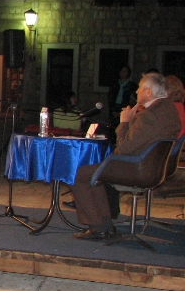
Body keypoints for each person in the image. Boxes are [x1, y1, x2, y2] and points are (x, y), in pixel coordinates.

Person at [71, 72, 181, 240]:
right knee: (96, 172)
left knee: (80, 175)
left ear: (149, 92)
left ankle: (98, 226)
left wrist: (124, 122)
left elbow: (123, 148)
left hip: (138, 168)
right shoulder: (169, 111)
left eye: (140, 88)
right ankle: (104, 224)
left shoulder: (148, 116)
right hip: (153, 167)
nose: (137, 91)